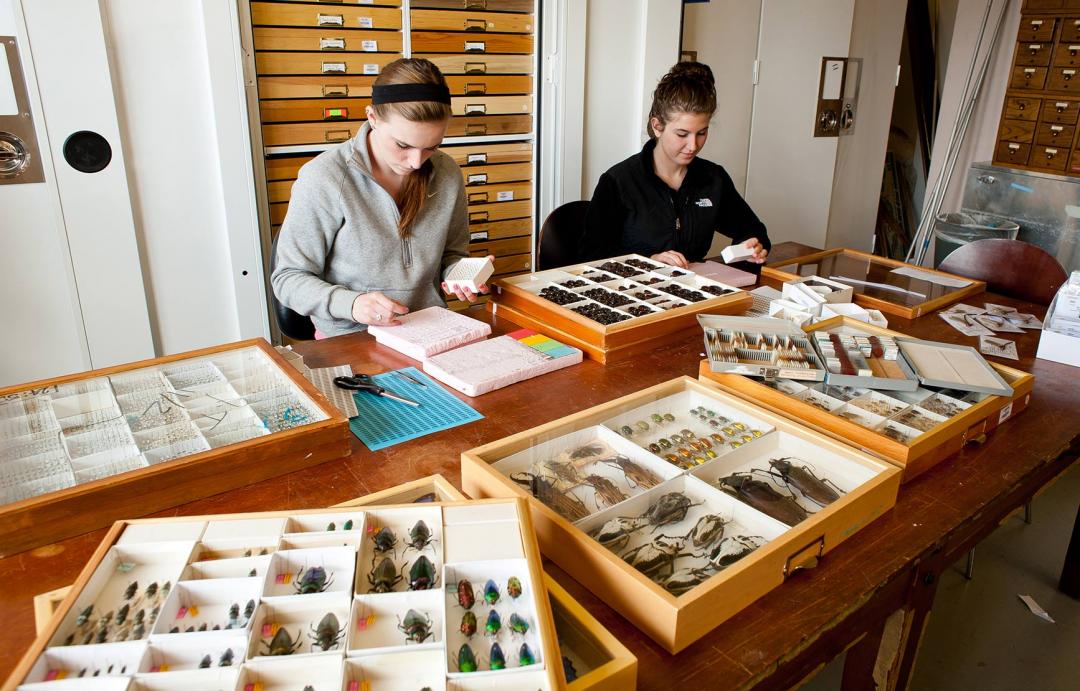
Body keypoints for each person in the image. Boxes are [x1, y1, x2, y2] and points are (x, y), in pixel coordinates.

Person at [272, 58, 489, 338]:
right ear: (372, 118)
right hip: (354, 336)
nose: (416, 162)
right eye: (403, 145)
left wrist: (459, 275)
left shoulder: (447, 173)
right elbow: (288, 279)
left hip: (431, 330)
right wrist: (353, 304)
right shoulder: (325, 178)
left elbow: (451, 255)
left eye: (432, 147)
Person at [579, 61, 770, 269]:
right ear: (657, 126)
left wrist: (753, 246)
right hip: (633, 292)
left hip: (695, 291)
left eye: (702, 133)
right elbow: (590, 254)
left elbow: (752, 229)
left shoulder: (713, 179)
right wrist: (647, 261)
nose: (693, 145)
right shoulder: (618, 182)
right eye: (682, 134)